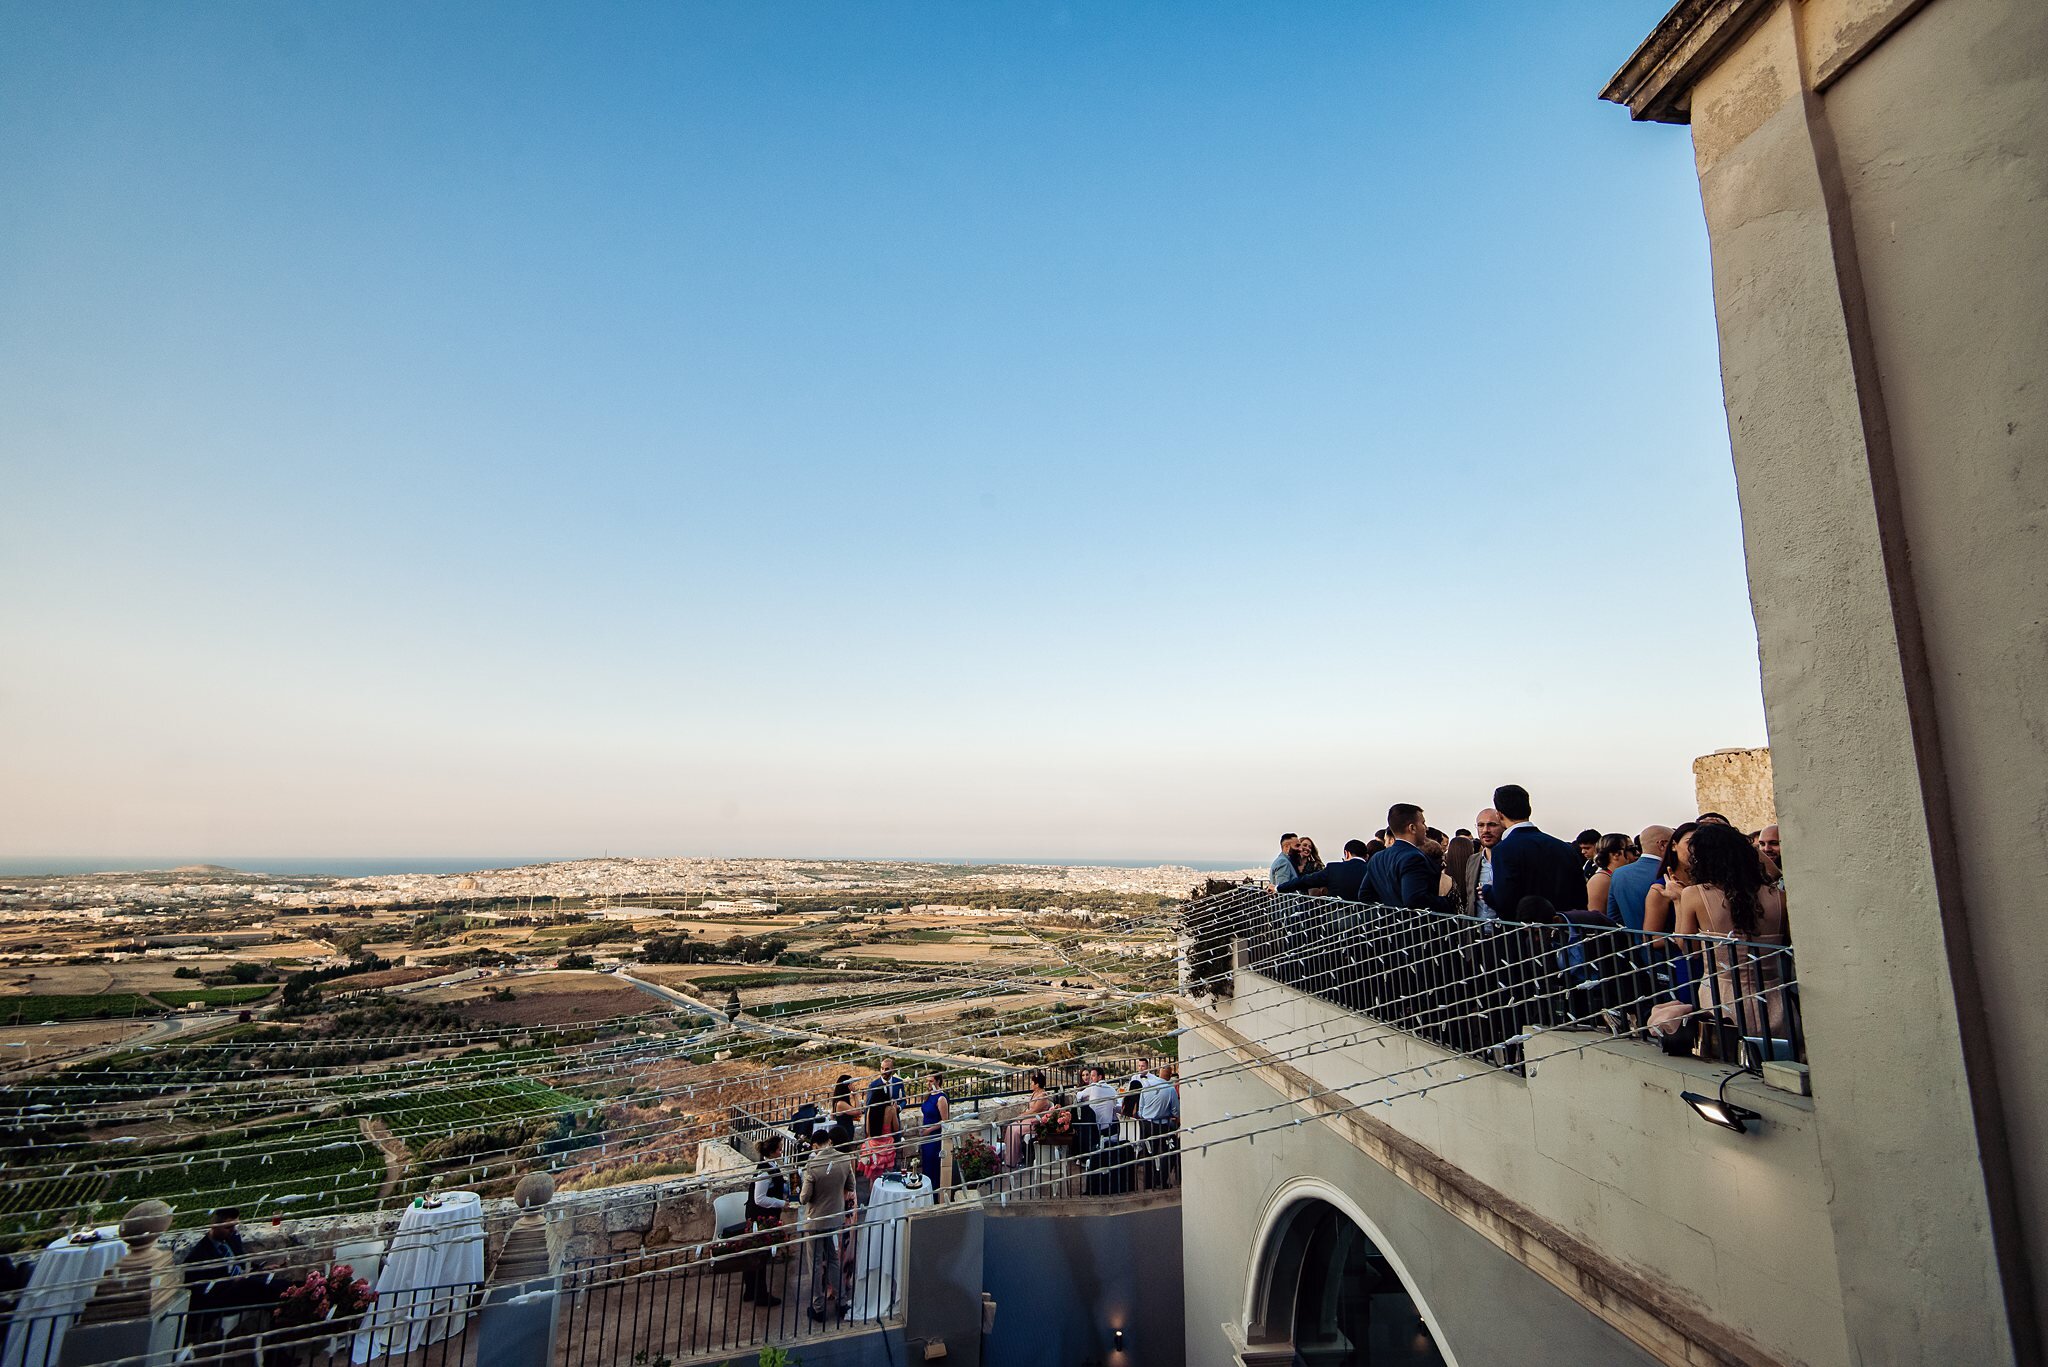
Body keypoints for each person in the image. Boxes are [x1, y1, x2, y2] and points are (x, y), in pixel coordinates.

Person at [1672, 821, 1792, 1046]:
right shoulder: (1779, 896)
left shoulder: (1694, 894)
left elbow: (1689, 949)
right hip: (1775, 998)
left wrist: (1678, 901)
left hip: (1722, 998)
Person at [1482, 785, 1589, 918]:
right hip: (1564, 931)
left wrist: (1486, 891)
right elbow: (1581, 898)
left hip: (1524, 932)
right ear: (1529, 810)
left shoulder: (1503, 851)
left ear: (1499, 815)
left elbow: (1504, 901)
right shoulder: (1564, 848)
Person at [183, 1208, 271, 1347]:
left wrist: (261, 1268)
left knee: (271, 1287)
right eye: (228, 1227)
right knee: (267, 1289)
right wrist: (232, 1281)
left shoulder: (232, 1239)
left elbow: (242, 1262)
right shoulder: (198, 1256)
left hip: (242, 1289)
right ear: (214, 1226)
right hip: (222, 1300)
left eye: (235, 1226)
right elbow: (201, 1292)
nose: (233, 1230)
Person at [800, 1126, 856, 1322]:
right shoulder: (844, 1159)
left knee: (814, 1263)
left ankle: (818, 1307)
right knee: (833, 1259)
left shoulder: (813, 1166)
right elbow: (850, 1186)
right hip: (835, 1218)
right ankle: (841, 1302)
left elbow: (804, 1197)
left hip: (816, 1221)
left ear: (815, 1145)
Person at [1363, 805, 1458, 910]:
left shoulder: (1377, 858)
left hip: (1388, 924)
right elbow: (1414, 899)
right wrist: (1446, 902)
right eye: (1423, 823)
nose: (1426, 828)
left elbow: (1365, 895)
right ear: (1412, 828)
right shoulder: (1414, 857)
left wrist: (1388, 910)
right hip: (1416, 924)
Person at [741, 1134, 791, 1307]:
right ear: (772, 1151)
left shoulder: (770, 1165)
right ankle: (760, 1294)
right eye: (779, 1148)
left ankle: (750, 1290)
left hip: (761, 1215)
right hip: (760, 1217)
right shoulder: (764, 1171)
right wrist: (781, 1203)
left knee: (754, 1253)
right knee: (760, 1256)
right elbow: (759, 1198)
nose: (781, 1151)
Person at [1607, 826, 1671, 932]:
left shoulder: (1619, 873)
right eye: (1673, 844)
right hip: (1670, 943)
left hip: (1635, 944)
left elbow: (1613, 915)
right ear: (1662, 844)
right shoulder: (1668, 872)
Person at [1132, 1060, 1178, 1188]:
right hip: (1162, 1125)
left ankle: (1148, 1183)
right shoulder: (1170, 1089)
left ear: (1158, 1073)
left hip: (1146, 1124)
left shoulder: (1147, 1085)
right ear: (1170, 1075)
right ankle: (1161, 1181)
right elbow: (1175, 1110)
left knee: (1148, 1154)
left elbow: (1140, 1108)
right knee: (1168, 1152)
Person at [1277, 838, 1372, 900]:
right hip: (1370, 922)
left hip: (1338, 921)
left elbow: (1306, 881)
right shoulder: (1372, 870)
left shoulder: (1334, 869)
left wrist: (1278, 888)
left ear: (1346, 853)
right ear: (1366, 856)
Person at [1459, 809, 1506, 917]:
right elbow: (1470, 900)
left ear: (1503, 826)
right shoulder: (1472, 861)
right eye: (1480, 825)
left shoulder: (1512, 859)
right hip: (1478, 930)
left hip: (1506, 930)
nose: (1485, 830)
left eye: (1492, 825)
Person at [1584, 834, 1634, 923]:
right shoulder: (1600, 881)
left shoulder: (1619, 876)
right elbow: (1597, 920)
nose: (1637, 853)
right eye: (1631, 849)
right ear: (1615, 854)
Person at [1076, 1065, 1120, 1152]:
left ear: (1099, 1077)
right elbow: (1117, 1105)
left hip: (1094, 1128)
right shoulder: (1112, 1090)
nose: (1091, 1078)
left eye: (1093, 1076)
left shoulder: (1093, 1088)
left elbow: (1079, 1096)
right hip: (1108, 1126)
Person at [916, 1069, 949, 1186]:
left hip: (934, 1136)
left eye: (930, 1081)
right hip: (926, 1136)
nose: (928, 1084)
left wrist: (929, 1130)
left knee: (932, 1166)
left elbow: (945, 1120)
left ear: (938, 1081)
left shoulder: (941, 1098)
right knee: (926, 1164)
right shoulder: (929, 1095)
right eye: (927, 1081)